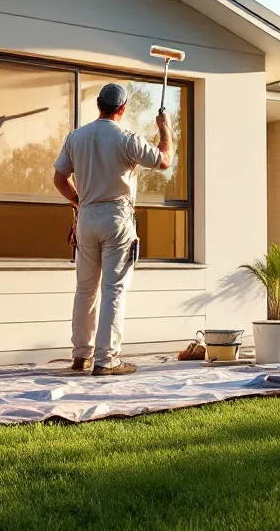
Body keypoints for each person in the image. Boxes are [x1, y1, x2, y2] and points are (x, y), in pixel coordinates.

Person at [52, 82, 172, 376]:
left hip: (87, 217)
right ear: (122, 108)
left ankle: (81, 355)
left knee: (85, 289)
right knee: (114, 289)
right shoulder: (126, 139)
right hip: (116, 217)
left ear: (98, 103)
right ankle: (107, 360)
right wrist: (165, 128)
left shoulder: (75, 137)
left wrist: (79, 202)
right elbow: (165, 160)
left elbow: (59, 178)